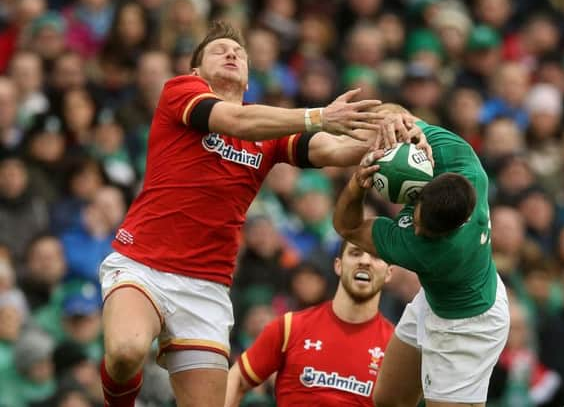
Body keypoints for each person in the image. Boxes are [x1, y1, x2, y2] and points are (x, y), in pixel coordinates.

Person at [98, 21, 424, 407]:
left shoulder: (270, 130)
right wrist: (318, 115)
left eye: (239, 53)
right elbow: (236, 122)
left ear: (250, 79)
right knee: (125, 351)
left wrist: (398, 128)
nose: (232, 54)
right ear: (196, 72)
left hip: (206, 284)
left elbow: (337, 151)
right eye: (219, 50)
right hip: (143, 263)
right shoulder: (181, 93)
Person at [333, 104, 510, 407]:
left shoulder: (427, 251)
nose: (416, 230)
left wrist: (356, 185)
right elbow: (398, 113)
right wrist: (395, 119)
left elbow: (347, 227)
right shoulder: (464, 162)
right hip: (437, 299)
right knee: (389, 400)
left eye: (427, 231)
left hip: (467, 329)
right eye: (418, 220)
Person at [224, 241, 394, 406]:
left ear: (389, 273)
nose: (364, 261)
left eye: (376, 257)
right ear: (338, 265)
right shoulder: (291, 326)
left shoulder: (396, 347)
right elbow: (237, 379)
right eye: (355, 253)